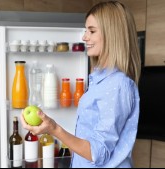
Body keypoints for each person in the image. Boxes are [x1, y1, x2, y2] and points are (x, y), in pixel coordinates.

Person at [20, 1, 141, 168]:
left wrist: (54, 129)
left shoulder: (117, 85)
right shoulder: (99, 80)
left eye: (91, 31)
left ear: (112, 34)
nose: (84, 37)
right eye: (85, 30)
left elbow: (97, 153)